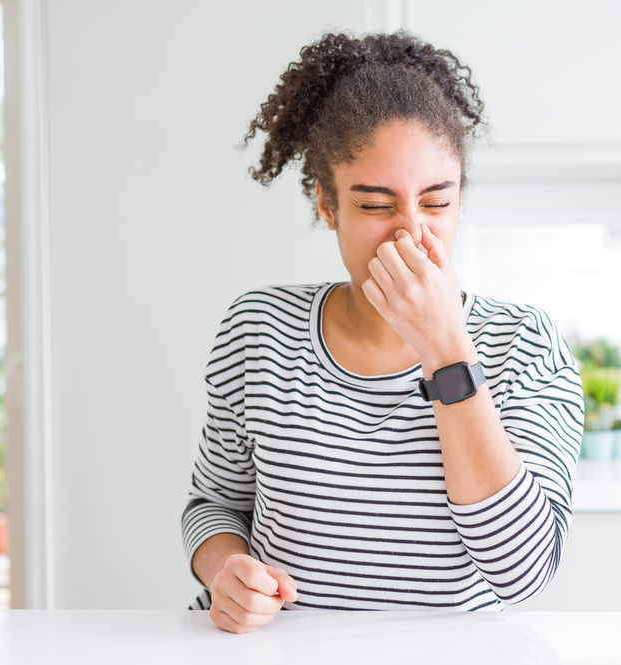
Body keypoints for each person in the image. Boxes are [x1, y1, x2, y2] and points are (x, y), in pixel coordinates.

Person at [179, 30, 584, 634]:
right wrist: (224, 570)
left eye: (436, 203)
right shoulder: (259, 329)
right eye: (375, 205)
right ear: (327, 205)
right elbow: (213, 506)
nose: (410, 234)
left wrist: (446, 351)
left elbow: (522, 572)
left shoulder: (523, 342)